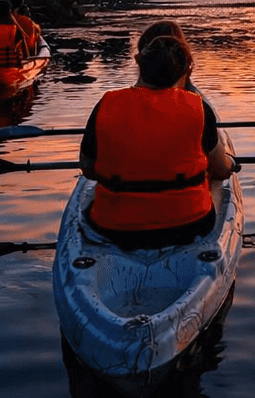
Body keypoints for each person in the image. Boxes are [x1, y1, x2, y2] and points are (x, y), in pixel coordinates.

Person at [77, 32, 235, 250]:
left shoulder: (106, 104)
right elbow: (222, 170)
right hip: (188, 224)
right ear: (185, 71)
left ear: (138, 62)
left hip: (113, 226)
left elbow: (87, 169)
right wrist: (229, 163)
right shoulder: (198, 107)